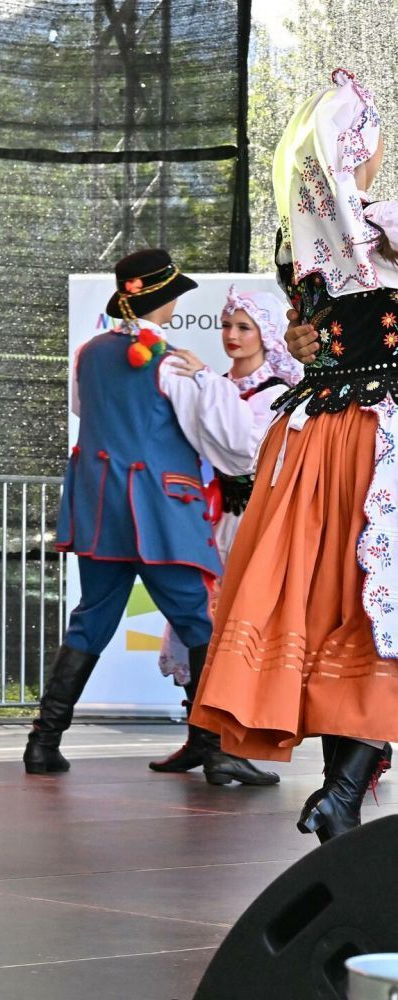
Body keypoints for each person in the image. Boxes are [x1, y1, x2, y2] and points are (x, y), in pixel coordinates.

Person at [193, 69, 398, 842]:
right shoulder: (383, 226)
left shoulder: (301, 252)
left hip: (316, 437)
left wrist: (314, 340)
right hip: (381, 433)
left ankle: (340, 795)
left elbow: (314, 340)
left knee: (335, 603)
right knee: (378, 607)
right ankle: (342, 792)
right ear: (358, 149)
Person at [35, 248, 278, 787]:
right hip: (160, 512)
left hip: (100, 510)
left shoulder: (88, 354)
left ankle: (43, 741)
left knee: (92, 618)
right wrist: (209, 384)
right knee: (197, 621)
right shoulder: (172, 363)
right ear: (164, 301)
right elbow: (235, 447)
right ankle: (215, 747)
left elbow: (83, 409)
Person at [153, 288, 301, 774]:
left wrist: (203, 387)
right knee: (198, 619)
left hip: (255, 521)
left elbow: (247, 452)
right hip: (212, 518)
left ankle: (230, 748)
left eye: (244, 327)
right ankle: (202, 739)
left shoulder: (277, 391)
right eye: (227, 326)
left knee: (238, 623)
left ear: (265, 334)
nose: (232, 336)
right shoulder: (214, 383)